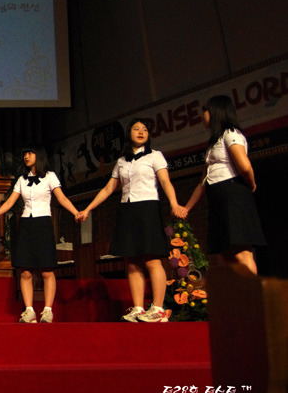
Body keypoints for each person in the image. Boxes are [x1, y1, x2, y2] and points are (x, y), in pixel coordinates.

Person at [77, 119, 187, 323]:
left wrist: (174, 203)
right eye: (136, 129)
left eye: (145, 129)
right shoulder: (121, 161)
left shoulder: (155, 156)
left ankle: (158, 309)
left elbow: (165, 181)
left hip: (147, 208)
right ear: (129, 134)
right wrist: (87, 209)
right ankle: (138, 308)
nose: (141, 132)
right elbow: (108, 189)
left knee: (152, 259)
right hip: (127, 209)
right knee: (132, 261)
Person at [0, 144, 79, 323]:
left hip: (43, 224)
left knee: (47, 270)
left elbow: (61, 198)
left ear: (39, 155)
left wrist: (76, 212)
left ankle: (48, 310)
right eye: (24, 154)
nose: (26, 156)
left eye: (30, 153)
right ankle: (29, 310)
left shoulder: (50, 176)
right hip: (26, 224)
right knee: (25, 271)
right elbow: (10, 201)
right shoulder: (22, 179)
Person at [184, 95, 265, 274]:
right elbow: (203, 182)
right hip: (218, 198)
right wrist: (187, 208)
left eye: (205, 111)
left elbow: (245, 166)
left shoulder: (231, 133)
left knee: (242, 253)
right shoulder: (214, 143)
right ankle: (235, 291)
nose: (202, 116)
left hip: (233, 195)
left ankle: (252, 292)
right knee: (226, 255)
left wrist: (252, 184)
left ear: (215, 112)